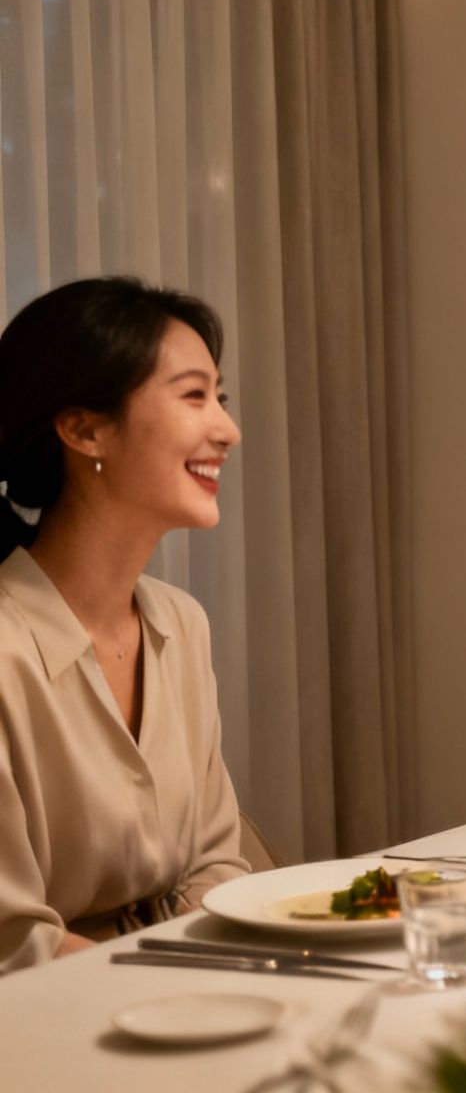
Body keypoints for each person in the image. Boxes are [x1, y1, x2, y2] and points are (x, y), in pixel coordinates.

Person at [0, 277, 250, 972]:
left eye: (220, 399)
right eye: (194, 396)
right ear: (84, 429)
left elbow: (217, 862)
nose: (228, 430)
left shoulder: (180, 623)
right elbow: (14, 941)